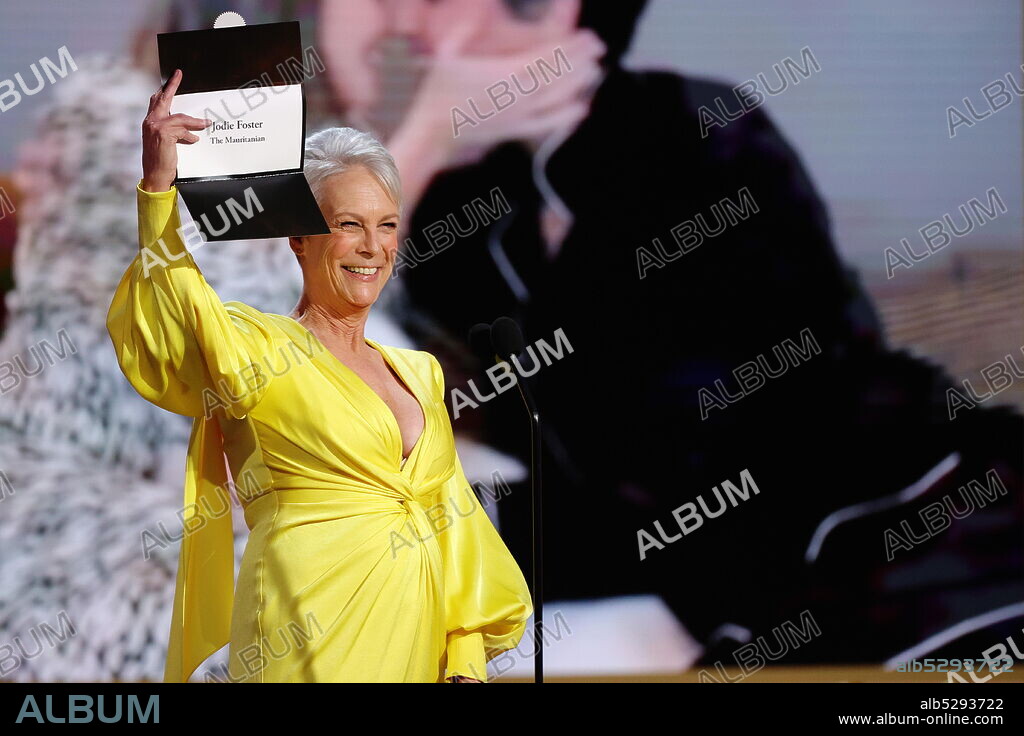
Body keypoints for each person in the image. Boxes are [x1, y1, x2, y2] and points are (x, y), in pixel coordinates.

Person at [106, 68, 532, 683]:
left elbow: (454, 522)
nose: (372, 246)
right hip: (304, 629)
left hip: (416, 639)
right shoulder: (256, 347)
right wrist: (157, 187)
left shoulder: (421, 373)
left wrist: (465, 661)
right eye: (348, 225)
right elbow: (172, 305)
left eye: (386, 225)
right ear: (300, 239)